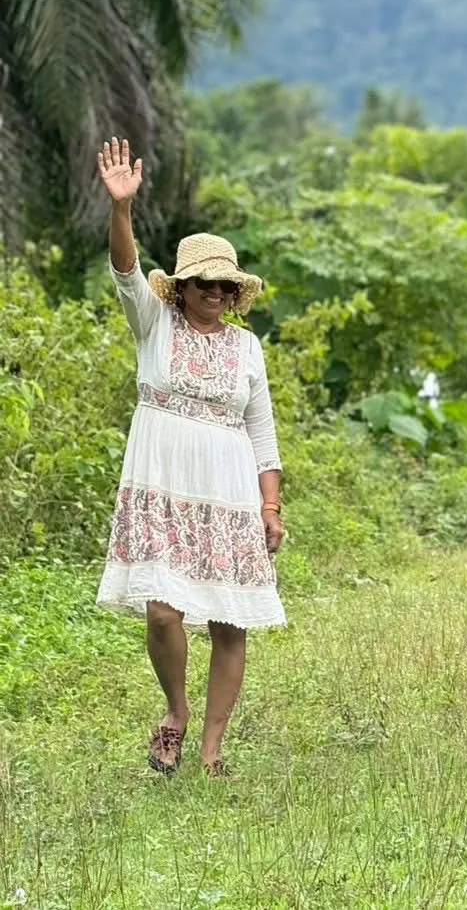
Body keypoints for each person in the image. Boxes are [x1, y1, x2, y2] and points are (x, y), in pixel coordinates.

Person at [94, 137, 286, 777]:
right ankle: (175, 714)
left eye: (224, 286)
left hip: (229, 490)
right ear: (181, 287)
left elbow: (262, 428)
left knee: (230, 621)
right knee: (161, 610)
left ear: (235, 294)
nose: (213, 292)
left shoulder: (247, 349)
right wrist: (122, 211)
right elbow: (125, 271)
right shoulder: (154, 324)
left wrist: (270, 504)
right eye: (202, 282)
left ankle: (211, 751)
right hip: (161, 483)